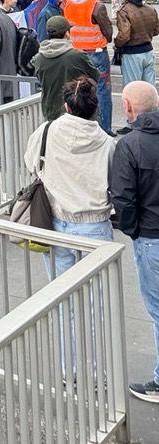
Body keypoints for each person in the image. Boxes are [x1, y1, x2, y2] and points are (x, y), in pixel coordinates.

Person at [25, 77, 116, 276]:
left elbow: (31, 162)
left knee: (60, 293)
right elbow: (115, 182)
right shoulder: (108, 144)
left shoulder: (46, 131)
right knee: (100, 296)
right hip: (94, 223)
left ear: (66, 106)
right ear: (95, 108)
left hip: (54, 219)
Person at [110, 81, 159, 403]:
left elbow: (123, 199)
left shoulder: (129, 146)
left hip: (152, 239)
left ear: (127, 106)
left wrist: (133, 230)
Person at [62, 0, 114, 134]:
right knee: (102, 90)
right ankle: (104, 127)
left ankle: (82, 125)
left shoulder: (68, 5)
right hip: (96, 52)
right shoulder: (96, 5)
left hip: (76, 52)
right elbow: (107, 30)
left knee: (78, 90)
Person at [31, 16, 98, 121]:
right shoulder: (76, 55)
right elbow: (95, 76)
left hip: (50, 110)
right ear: (67, 33)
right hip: (76, 109)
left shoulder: (39, 58)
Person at [115, 0, 158, 85]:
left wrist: (117, 43)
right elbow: (156, 30)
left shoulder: (124, 10)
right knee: (149, 88)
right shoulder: (150, 9)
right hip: (148, 50)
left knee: (133, 88)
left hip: (132, 52)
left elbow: (124, 35)